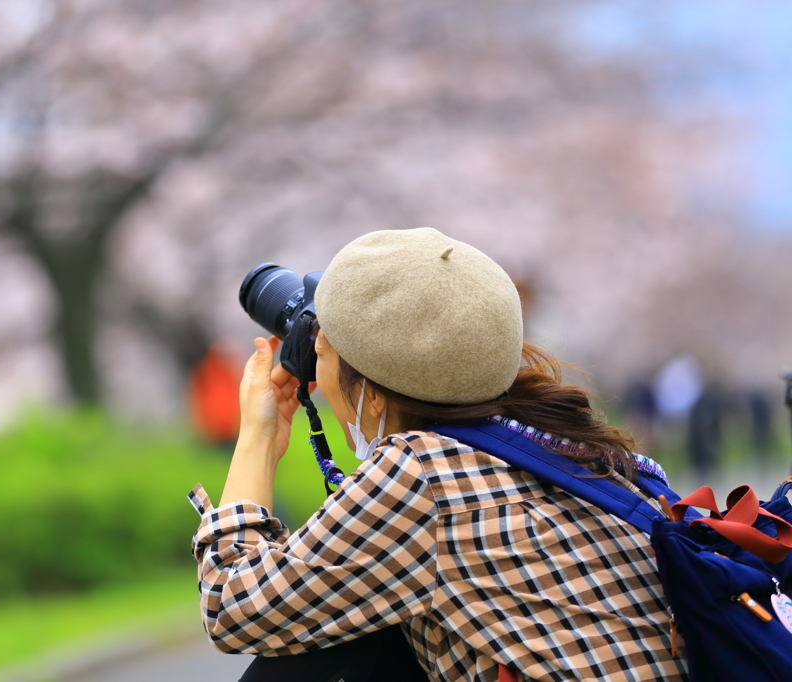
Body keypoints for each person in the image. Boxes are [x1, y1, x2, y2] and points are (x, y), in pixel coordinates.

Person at [188, 228, 685, 682]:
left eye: (322, 348)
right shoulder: (556, 442)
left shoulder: (421, 473)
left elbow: (232, 607)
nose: (314, 376)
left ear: (376, 392)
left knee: (304, 650)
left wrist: (259, 434)